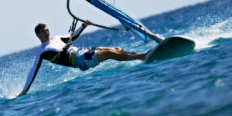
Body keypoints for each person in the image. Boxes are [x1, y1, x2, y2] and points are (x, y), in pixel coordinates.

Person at [17, 20, 148, 96]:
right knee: (110, 54)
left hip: (83, 51)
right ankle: (142, 57)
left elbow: (72, 37)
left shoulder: (56, 38)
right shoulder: (42, 52)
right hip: (79, 60)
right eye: (43, 31)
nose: (47, 32)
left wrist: (83, 25)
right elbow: (33, 70)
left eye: (47, 30)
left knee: (115, 49)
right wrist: (24, 90)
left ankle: (135, 55)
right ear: (38, 35)